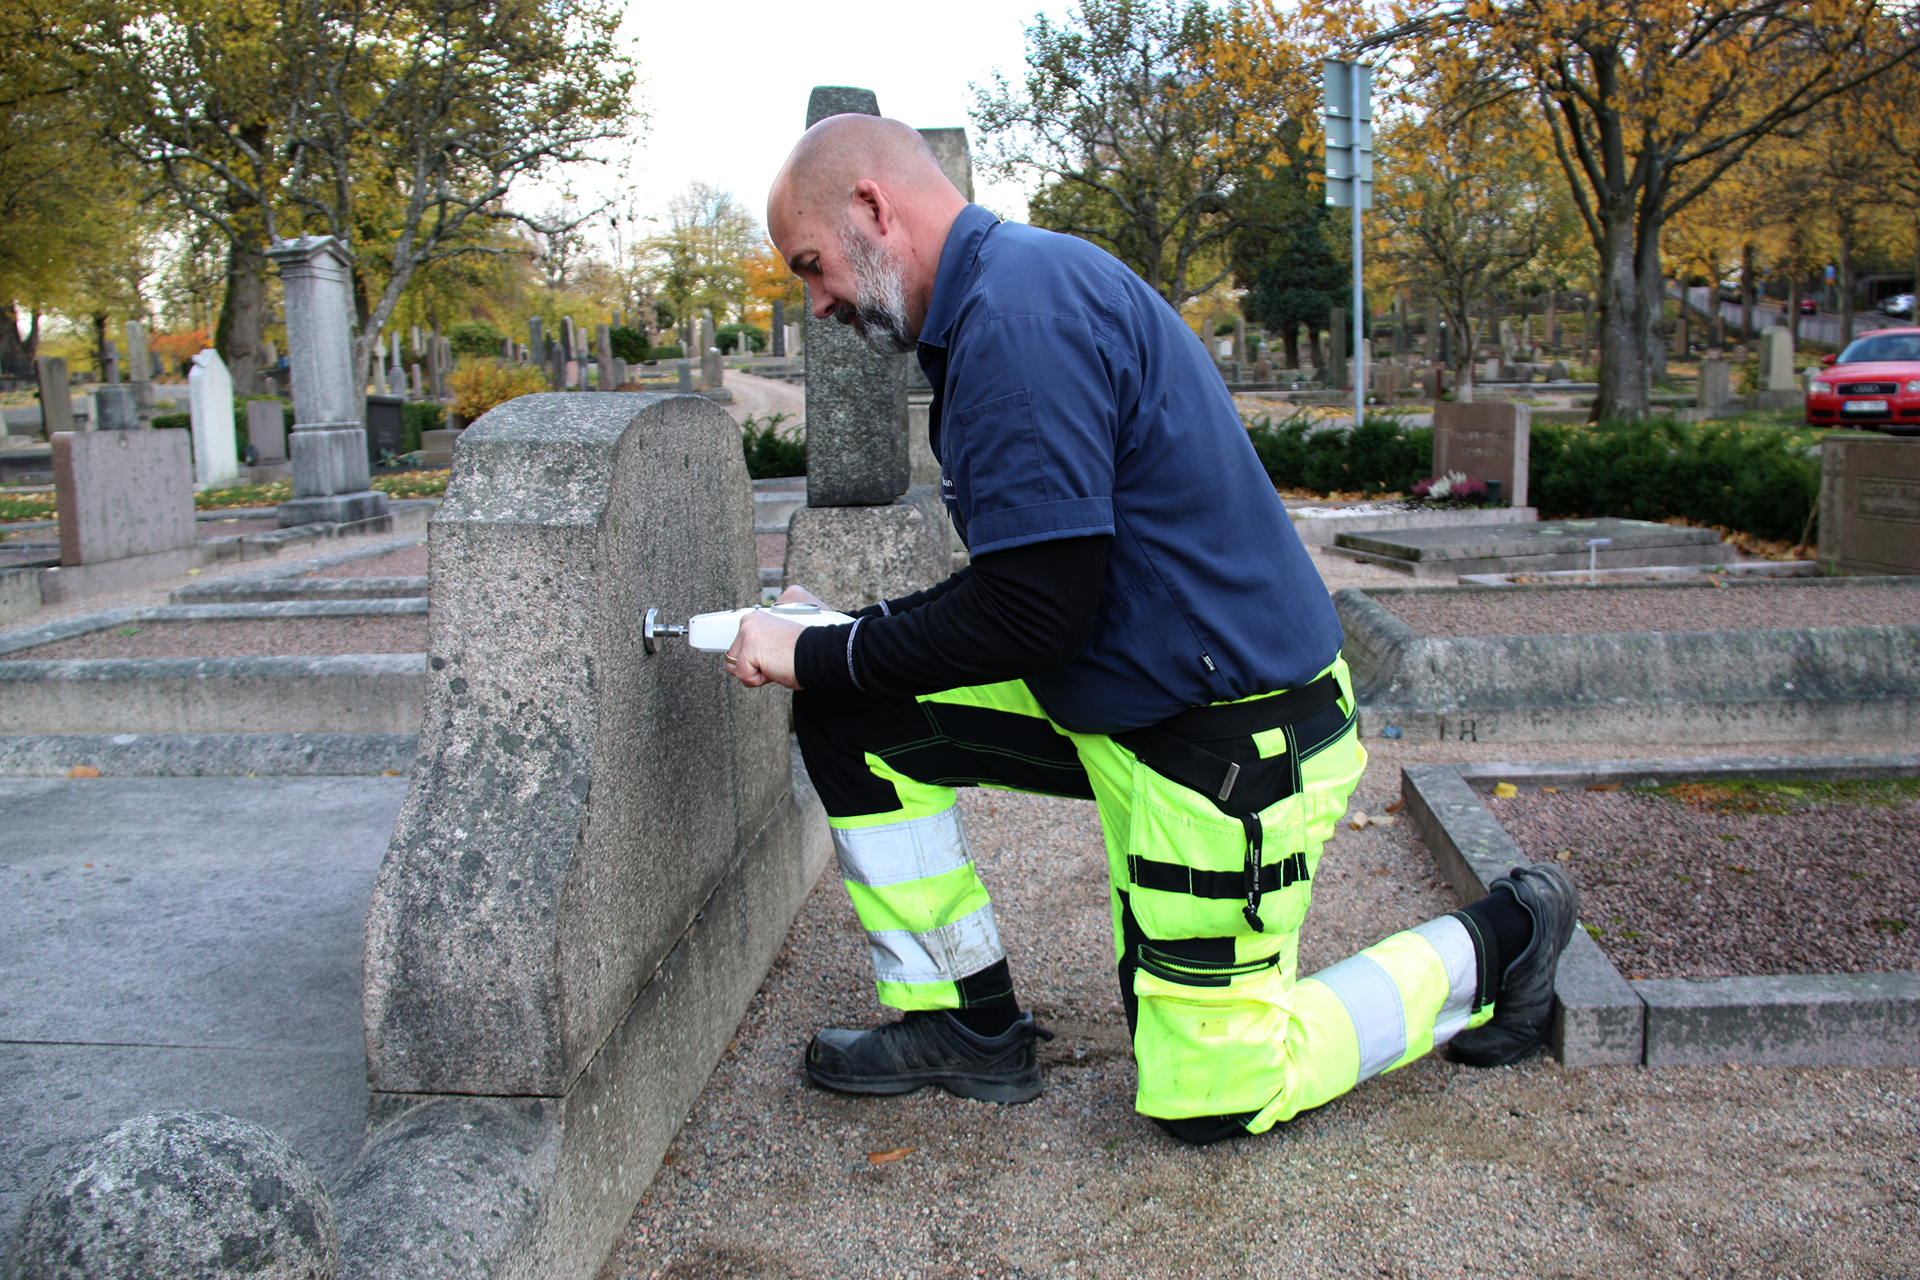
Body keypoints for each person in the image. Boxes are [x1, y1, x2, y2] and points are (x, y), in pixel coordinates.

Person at [726, 113, 1578, 1144]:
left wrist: (817, 644)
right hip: (1133, 693)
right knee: (851, 707)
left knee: (1212, 1096)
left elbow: (1032, 612)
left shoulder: (1016, 322)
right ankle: (960, 1022)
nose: (816, 304)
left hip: (1230, 743)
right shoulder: (1004, 297)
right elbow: (1031, 580)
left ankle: (1506, 938)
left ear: (873, 206)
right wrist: (843, 642)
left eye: (811, 266)